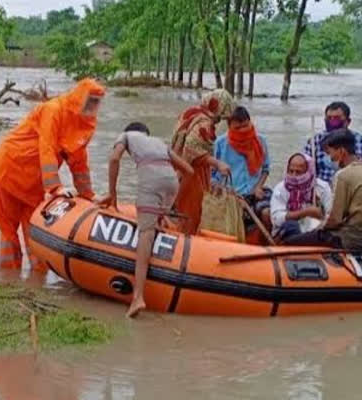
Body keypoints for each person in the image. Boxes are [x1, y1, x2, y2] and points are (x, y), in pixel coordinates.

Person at [0, 78, 105, 274]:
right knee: (8, 229)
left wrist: (88, 195)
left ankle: (36, 281)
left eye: (96, 102)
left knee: (34, 231)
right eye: (90, 100)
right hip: (10, 168)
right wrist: (55, 188)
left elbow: (79, 160)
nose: (93, 106)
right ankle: (8, 279)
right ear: (79, 97)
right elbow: (46, 148)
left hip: (34, 181)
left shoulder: (85, 123)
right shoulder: (53, 110)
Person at [97, 122, 194, 318]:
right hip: (171, 182)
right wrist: (168, 183)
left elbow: (114, 159)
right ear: (146, 134)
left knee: (145, 234)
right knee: (157, 221)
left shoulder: (125, 136)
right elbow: (188, 171)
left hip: (151, 181)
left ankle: (138, 297)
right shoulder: (158, 142)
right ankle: (162, 226)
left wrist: (112, 193)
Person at [285, 130, 362, 253]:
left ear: (341, 152)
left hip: (355, 241)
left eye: (329, 153)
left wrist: (318, 229)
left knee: (290, 240)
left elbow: (335, 220)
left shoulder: (343, 175)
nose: (329, 158)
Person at [171, 89, 235, 235]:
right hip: (191, 172)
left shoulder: (191, 113)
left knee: (181, 204)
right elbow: (192, 149)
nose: (220, 120)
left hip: (177, 163)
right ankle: (187, 238)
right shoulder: (204, 123)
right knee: (191, 209)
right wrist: (218, 164)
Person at [213, 106, 272, 231]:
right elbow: (211, 176)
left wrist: (258, 186)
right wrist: (227, 193)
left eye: (245, 126)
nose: (242, 131)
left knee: (269, 213)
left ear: (250, 122)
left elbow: (266, 169)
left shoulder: (260, 141)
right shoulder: (220, 144)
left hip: (254, 192)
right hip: (230, 195)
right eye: (237, 128)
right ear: (229, 127)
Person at [304, 101, 362, 185]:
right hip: (324, 191)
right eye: (329, 118)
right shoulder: (314, 142)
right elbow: (306, 173)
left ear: (348, 121)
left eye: (336, 119)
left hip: (352, 187)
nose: (332, 122)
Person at [270, 153, 333, 242]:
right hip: (290, 234)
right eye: (291, 171)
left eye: (298, 172)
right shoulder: (281, 188)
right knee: (291, 226)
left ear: (308, 171)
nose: (294, 176)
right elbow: (277, 219)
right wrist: (305, 212)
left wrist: (320, 216)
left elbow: (330, 214)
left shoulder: (322, 187)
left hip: (317, 231)